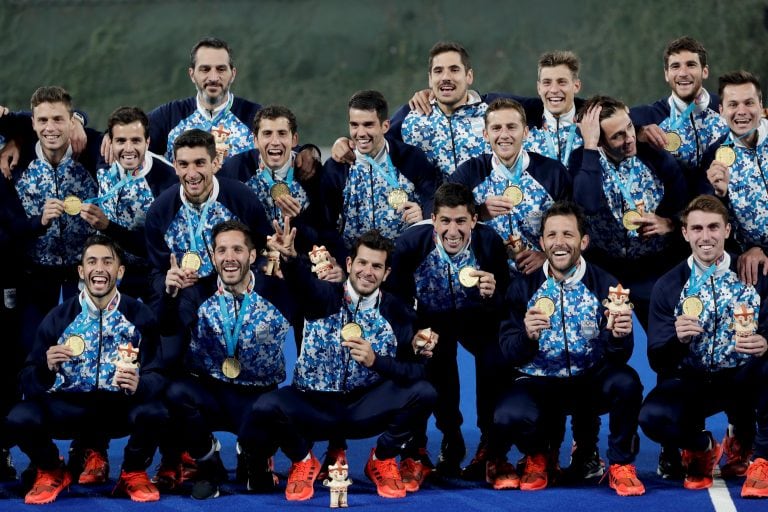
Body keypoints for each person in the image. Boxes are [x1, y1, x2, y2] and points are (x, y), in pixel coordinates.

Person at [240, 225, 437, 501]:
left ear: (386, 273)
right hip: (313, 405)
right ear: (349, 263)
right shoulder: (324, 296)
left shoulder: (396, 312)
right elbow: (302, 284)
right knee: (262, 409)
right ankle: (302, 460)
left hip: (362, 407)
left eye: (377, 267)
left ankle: (382, 459)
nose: (368, 272)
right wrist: (291, 259)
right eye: (363, 263)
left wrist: (376, 361)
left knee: (425, 392)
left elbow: (417, 370)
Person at [491, 201, 644, 496]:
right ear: (541, 242)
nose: (559, 243)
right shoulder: (523, 288)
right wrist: (527, 336)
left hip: (588, 382)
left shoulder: (607, 286)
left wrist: (618, 337)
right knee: (508, 413)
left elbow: (620, 356)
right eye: (552, 235)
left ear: (583, 241)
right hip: (540, 383)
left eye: (568, 235)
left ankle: (620, 464)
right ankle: (537, 454)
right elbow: (510, 353)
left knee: (626, 382)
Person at [5, 235, 167, 504]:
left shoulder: (139, 315)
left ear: (120, 271)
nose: (99, 268)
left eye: (107, 261)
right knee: (20, 416)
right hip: (69, 409)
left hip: (116, 409)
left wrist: (141, 383)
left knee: (156, 411)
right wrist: (46, 369)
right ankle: (51, 469)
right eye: (92, 261)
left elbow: (158, 374)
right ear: (82, 271)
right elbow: (27, 380)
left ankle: (133, 472)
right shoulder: (58, 317)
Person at [639, 194, 768, 497]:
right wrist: (677, 341)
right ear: (685, 233)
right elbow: (658, 361)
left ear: (727, 230)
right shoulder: (668, 285)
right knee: (652, 417)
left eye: (713, 227)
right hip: (694, 380)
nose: (705, 237)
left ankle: (761, 457)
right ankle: (701, 447)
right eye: (697, 229)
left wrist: (766, 342)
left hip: (743, 378)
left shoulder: (751, 273)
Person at [160, 220, 294, 499]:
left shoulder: (278, 291)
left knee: (283, 411)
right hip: (211, 392)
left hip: (258, 396)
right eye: (221, 250)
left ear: (252, 255)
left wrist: (301, 264)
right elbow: (171, 327)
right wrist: (170, 296)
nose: (229, 258)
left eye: (237, 249)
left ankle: (253, 458)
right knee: (175, 392)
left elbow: (320, 301)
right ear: (212, 256)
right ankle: (209, 466)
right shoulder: (197, 291)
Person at [385, 182, 510, 481]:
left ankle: (490, 446)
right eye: (445, 221)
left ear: (474, 220)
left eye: (461, 221)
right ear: (433, 220)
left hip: (477, 317)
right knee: (430, 366)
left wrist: (494, 295)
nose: (452, 231)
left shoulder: (489, 242)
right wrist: (412, 335)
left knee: (495, 360)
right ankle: (429, 445)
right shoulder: (412, 243)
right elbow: (394, 301)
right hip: (431, 317)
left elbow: (508, 297)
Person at [574, 95, 688, 331]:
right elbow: (588, 204)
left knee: (668, 342)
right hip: (605, 272)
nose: (629, 139)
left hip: (654, 269)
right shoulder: (583, 160)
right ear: (600, 141)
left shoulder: (654, 155)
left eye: (629, 128)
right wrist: (589, 146)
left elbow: (686, 202)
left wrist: (671, 223)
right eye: (617, 136)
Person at [144, 128, 271, 306]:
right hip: (185, 300)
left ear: (215, 162)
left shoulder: (241, 198)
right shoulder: (160, 211)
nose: (192, 173)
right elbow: (155, 271)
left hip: (237, 296)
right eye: (184, 164)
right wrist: (167, 281)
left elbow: (264, 248)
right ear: (175, 166)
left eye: (200, 163)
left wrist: (260, 267)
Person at [448, 97, 572, 276]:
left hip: (540, 276)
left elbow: (575, 225)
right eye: (496, 128)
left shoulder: (552, 172)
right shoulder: (470, 172)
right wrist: (479, 212)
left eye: (511, 127)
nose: (504, 135)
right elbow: (444, 212)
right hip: (487, 278)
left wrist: (549, 256)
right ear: (485, 134)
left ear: (525, 132)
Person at [322, 90, 438, 260]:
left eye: (368, 125)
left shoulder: (411, 158)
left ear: (385, 126)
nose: (360, 133)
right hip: (357, 269)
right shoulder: (337, 167)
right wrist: (343, 264)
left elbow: (434, 200)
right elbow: (325, 225)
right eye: (354, 125)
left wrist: (424, 216)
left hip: (406, 263)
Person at [82, 106, 177, 301]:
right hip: (110, 272)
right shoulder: (102, 156)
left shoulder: (167, 181)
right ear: (110, 141)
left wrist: (107, 226)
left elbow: (157, 247)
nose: (128, 149)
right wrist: (76, 118)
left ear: (147, 141)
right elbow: (59, 126)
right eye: (121, 141)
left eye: (135, 140)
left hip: (152, 274)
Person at [219, 105, 325, 256]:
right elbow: (226, 231)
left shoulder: (312, 173)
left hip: (300, 266)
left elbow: (323, 236)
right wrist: (265, 242)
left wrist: (297, 221)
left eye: (282, 133)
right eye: (267, 133)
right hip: (255, 267)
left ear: (294, 139)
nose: (275, 141)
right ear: (255, 140)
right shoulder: (235, 172)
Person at [630, 36, 728, 183]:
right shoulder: (649, 117)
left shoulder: (728, 109)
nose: (683, 73)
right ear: (666, 74)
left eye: (691, 65)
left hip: (721, 203)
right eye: (675, 66)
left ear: (705, 71)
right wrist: (638, 132)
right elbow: (604, 124)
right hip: (673, 205)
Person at [702, 70, 768, 286]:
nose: (742, 111)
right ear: (721, 110)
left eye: (749, 103)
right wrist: (719, 195)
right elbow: (715, 229)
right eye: (733, 104)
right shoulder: (714, 158)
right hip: (757, 264)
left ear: (760, 104)